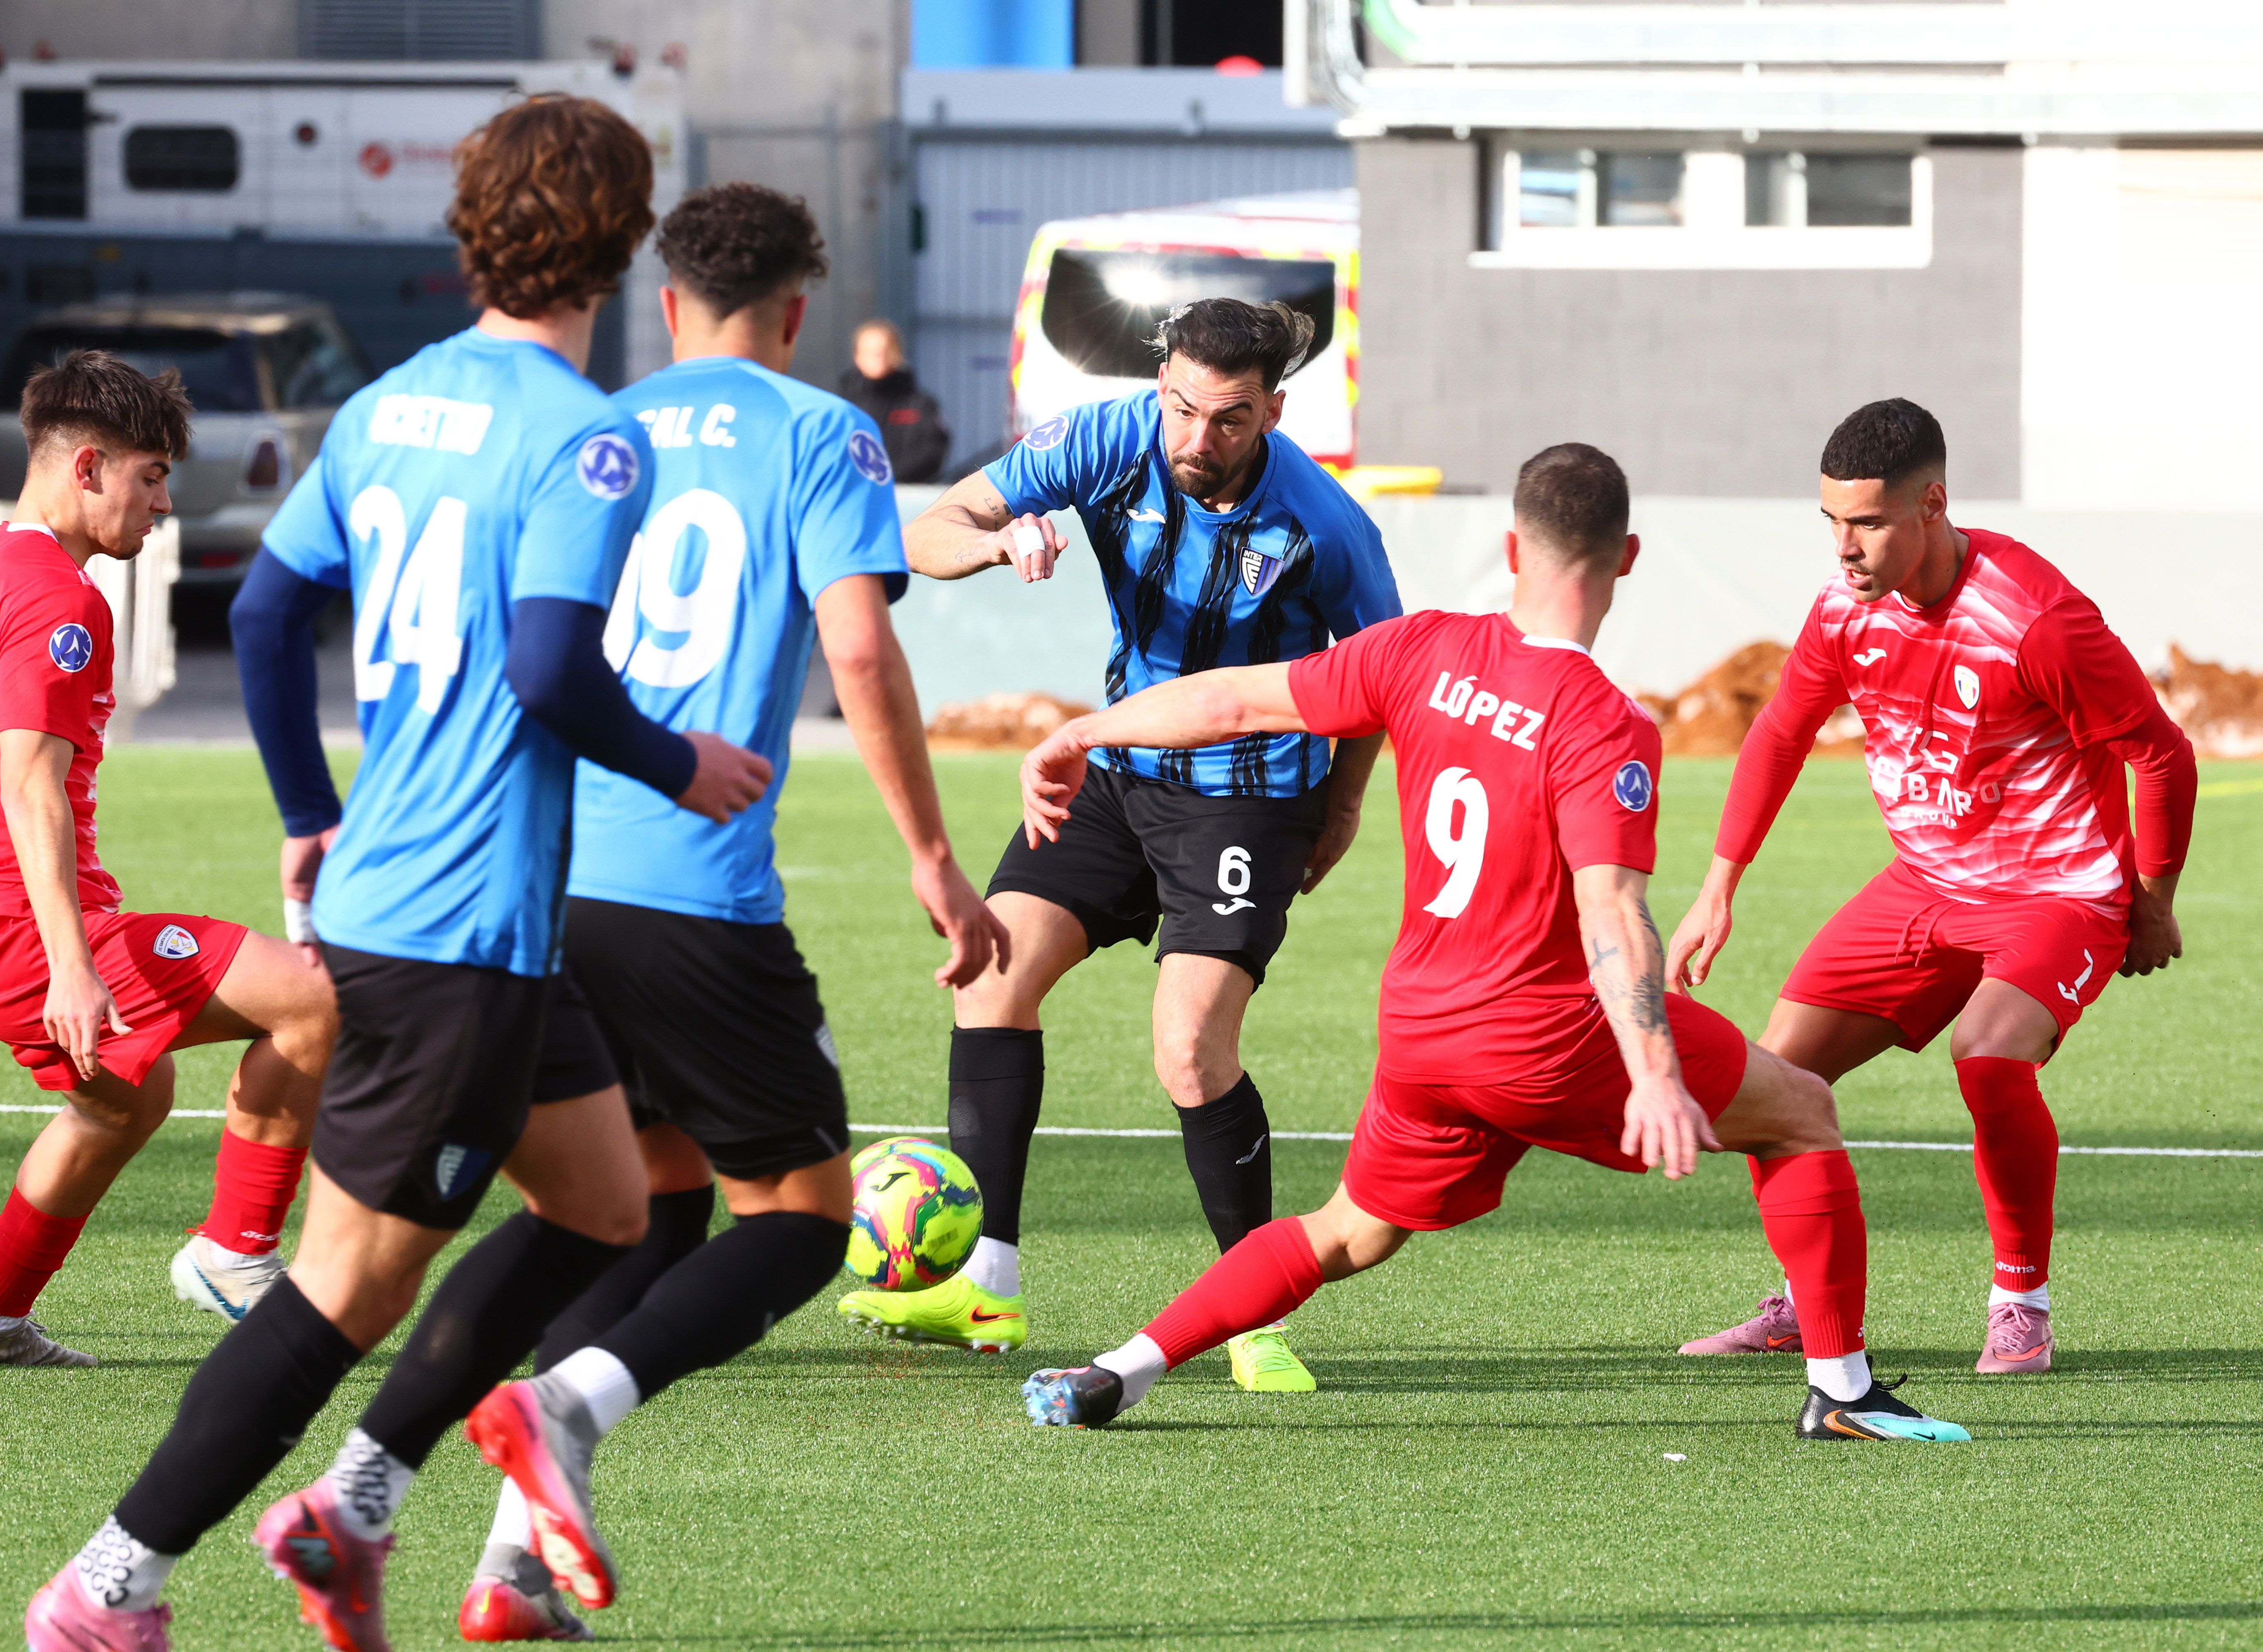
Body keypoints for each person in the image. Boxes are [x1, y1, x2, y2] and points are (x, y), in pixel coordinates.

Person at [24, 93, 771, 1652]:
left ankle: (353, 1505)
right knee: (343, 1288)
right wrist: (678, 762)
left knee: (608, 1203)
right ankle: (111, 1583)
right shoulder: (591, 438)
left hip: (425, 898)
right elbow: (555, 666)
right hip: (459, 928)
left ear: (470, 232)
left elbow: (263, 613)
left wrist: (310, 805)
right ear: (626, 244)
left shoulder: (385, 406)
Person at [1013, 444, 1969, 1445]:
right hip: (1547, 1032)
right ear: (1628, 557)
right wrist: (1651, 1071)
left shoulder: (1421, 649)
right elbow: (1609, 912)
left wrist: (1088, 732)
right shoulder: (1605, 722)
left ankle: (1120, 1369)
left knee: (1348, 1230)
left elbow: (1229, 700)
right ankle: (1843, 1391)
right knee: (1803, 1113)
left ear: (1512, 546)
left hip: (1423, 1033)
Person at [453, 181, 1010, 1638]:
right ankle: (564, 1404)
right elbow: (862, 656)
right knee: (807, 1218)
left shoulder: (599, 427)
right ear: (802, 311)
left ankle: (516, 1563)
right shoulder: (824, 430)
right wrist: (934, 855)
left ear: (667, 302)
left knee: (648, 1201)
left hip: (549, 877)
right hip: (694, 895)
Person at [837, 297, 1402, 1393]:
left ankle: (1253, 1307)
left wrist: (1339, 810)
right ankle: (987, 1278)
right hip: (1117, 770)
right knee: (993, 972)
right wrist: (1001, 541)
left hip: (1247, 799)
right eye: (1181, 408)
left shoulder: (1327, 525)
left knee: (1190, 1046)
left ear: (1274, 411)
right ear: (1160, 390)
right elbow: (926, 530)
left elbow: (1380, 680)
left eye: (1229, 420)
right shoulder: (1109, 440)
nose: (1196, 439)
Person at [0, 350, 332, 1367]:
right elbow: (28, 786)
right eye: (150, 477)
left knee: (120, 1099)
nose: (163, 502)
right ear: (87, 466)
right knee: (313, 997)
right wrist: (71, 961)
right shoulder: (62, 600)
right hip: (21, 929)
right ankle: (236, 1249)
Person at [1666, 399, 2197, 1375]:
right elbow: (1781, 731)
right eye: (1830, 521)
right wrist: (1718, 885)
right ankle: (1800, 1306)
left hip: (2058, 892)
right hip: (1923, 884)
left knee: (1989, 1055)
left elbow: (2160, 755)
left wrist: (2150, 901)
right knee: (1773, 1079)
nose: (1844, 547)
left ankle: (2021, 1306)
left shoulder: (2035, 619)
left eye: (1865, 522)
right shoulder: (1841, 608)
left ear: (1932, 504)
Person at [837, 318, 949, 482]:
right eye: (871, 352)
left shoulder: (920, 404)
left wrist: (889, 480)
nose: (879, 358)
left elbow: (933, 452)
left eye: (885, 351)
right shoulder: (843, 406)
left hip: (907, 498)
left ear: (898, 353)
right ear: (857, 356)